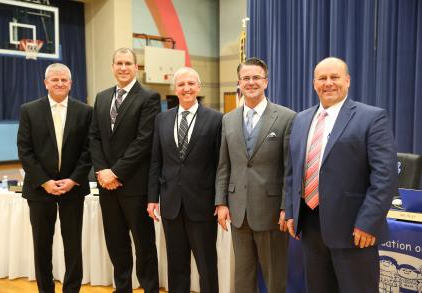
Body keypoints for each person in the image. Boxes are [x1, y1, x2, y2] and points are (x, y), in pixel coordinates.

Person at [285, 57, 398, 293]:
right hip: (311, 227)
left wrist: (368, 223)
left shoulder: (372, 118)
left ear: (347, 80)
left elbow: (385, 177)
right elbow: (292, 171)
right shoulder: (301, 119)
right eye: (322, 78)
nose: (328, 83)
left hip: (355, 231)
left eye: (334, 77)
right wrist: (290, 209)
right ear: (314, 83)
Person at [215, 57, 296, 293]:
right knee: (243, 276)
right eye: (246, 78)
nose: (251, 82)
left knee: (274, 277)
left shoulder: (286, 117)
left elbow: (289, 168)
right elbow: (223, 165)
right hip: (238, 211)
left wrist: (286, 206)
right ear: (239, 83)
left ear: (266, 82)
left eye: (256, 78)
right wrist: (221, 202)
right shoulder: (228, 119)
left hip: (271, 213)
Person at [89, 47, 160, 293]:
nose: (123, 67)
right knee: (116, 243)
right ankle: (122, 289)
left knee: (144, 245)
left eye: (128, 63)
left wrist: (116, 172)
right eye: (118, 63)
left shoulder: (148, 98)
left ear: (136, 67)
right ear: (112, 67)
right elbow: (94, 138)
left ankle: (150, 288)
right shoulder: (101, 97)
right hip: (106, 187)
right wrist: (102, 172)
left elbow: (143, 141)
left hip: (134, 185)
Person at [17, 63, 92, 293]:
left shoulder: (85, 111)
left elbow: (89, 150)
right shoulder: (29, 110)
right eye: (55, 79)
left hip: (73, 189)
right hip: (40, 190)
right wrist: (44, 181)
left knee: (73, 245)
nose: (59, 83)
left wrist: (73, 180)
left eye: (64, 80)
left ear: (71, 83)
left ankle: (72, 289)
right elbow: (24, 150)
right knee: (42, 246)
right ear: (46, 82)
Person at [147, 67, 222, 293]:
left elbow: (221, 165)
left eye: (191, 84)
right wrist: (152, 198)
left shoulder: (216, 119)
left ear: (198, 87)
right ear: (175, 88)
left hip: (202, 205)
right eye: (181, 85)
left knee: (207, 266)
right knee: (176, 266)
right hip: (171, 205)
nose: (186, 88)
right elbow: (155, 162)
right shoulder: (162, 119)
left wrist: (221, 200)